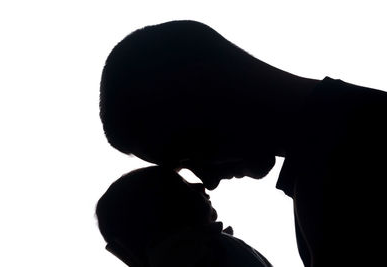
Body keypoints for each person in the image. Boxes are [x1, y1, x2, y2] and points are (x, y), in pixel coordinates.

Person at [99, 20, 387, 266]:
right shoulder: (343, 144)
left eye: (188, 154)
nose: (207, 181)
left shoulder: (343, 169)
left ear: (204, 89)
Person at [96, 166, 272, 267]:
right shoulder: (185, 257)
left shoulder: (212, 244)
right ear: (164, 209)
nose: (200, 185)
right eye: (184, 186)